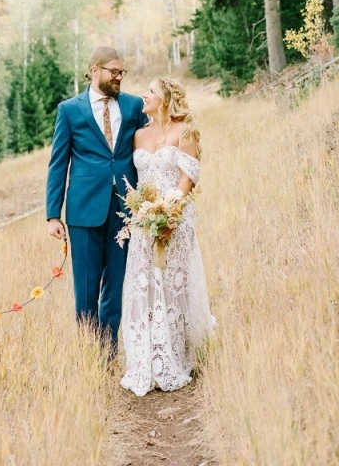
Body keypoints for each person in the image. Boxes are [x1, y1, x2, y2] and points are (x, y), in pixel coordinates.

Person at [46, 45, 147, 354]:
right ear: (94, 70)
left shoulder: (133, 107)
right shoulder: (69, 109)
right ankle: (89, 352)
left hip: (125, 211)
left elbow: (147, 150)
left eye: (122, 72)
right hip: (83, 212)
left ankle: (109, 350)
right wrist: (53, 214)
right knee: (86, 290)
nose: (119, 77)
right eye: (113, 72)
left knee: (115, 288)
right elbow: (58, 163)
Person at [121, 77, 216, 396]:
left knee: (173, 285)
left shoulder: (184, 132)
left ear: (164, 98)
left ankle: (175, 355)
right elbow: (137, 179)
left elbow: (188, 177)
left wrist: (170, 213)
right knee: (144, 284)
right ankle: (144, 360)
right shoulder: (137, 135)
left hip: (175, 218)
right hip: (142, 220)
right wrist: (144, 212)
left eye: (150, 91)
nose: (143, 96)